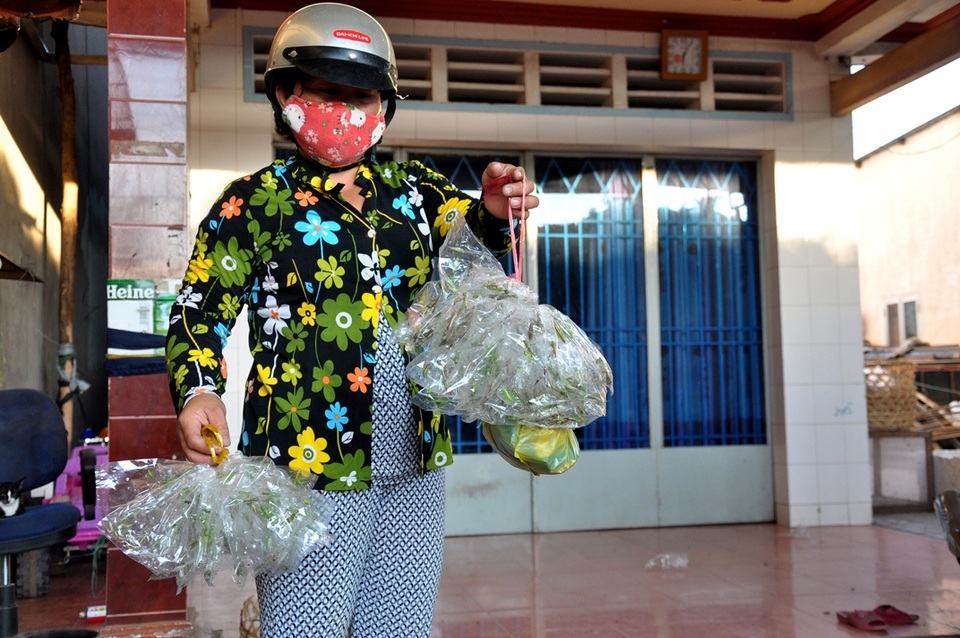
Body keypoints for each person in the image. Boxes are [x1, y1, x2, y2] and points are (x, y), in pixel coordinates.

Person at [164, 3, 538, 637]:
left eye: (361, 96)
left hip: (415, 470)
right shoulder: (251, 203)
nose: (346, 109)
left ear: (385, 109)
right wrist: (198, 391)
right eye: (327, 91)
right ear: (286, 95)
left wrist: (498, 209)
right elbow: (199, 309)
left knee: (398, 628)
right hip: (307, 468)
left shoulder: (415, 192)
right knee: (306, 628)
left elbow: (472, 241)